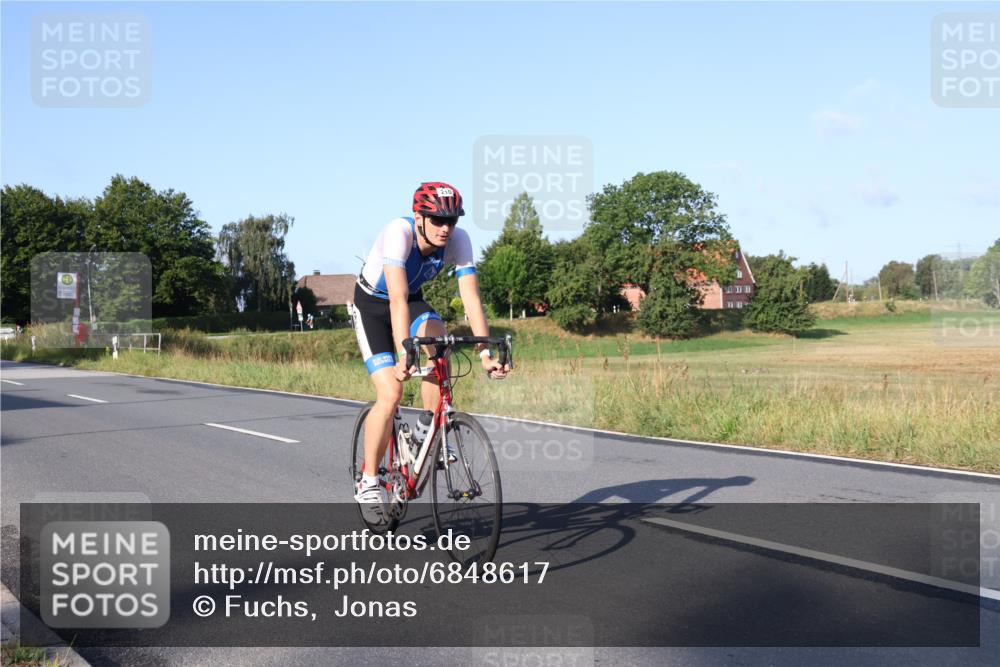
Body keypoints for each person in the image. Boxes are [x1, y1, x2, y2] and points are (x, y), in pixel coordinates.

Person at [348, 182, 510, 522]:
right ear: (419, 217)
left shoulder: (459, 240)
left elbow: (471, 297)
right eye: (437, 220)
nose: (445, 228)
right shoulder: (399, 232)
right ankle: (369, 480)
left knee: (441, 340)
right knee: (391, 393)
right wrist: (404, 354)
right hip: (373, 306)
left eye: (451, 220)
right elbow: (395, 298)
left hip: (411, 300)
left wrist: (483, 352)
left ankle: (427, 428)